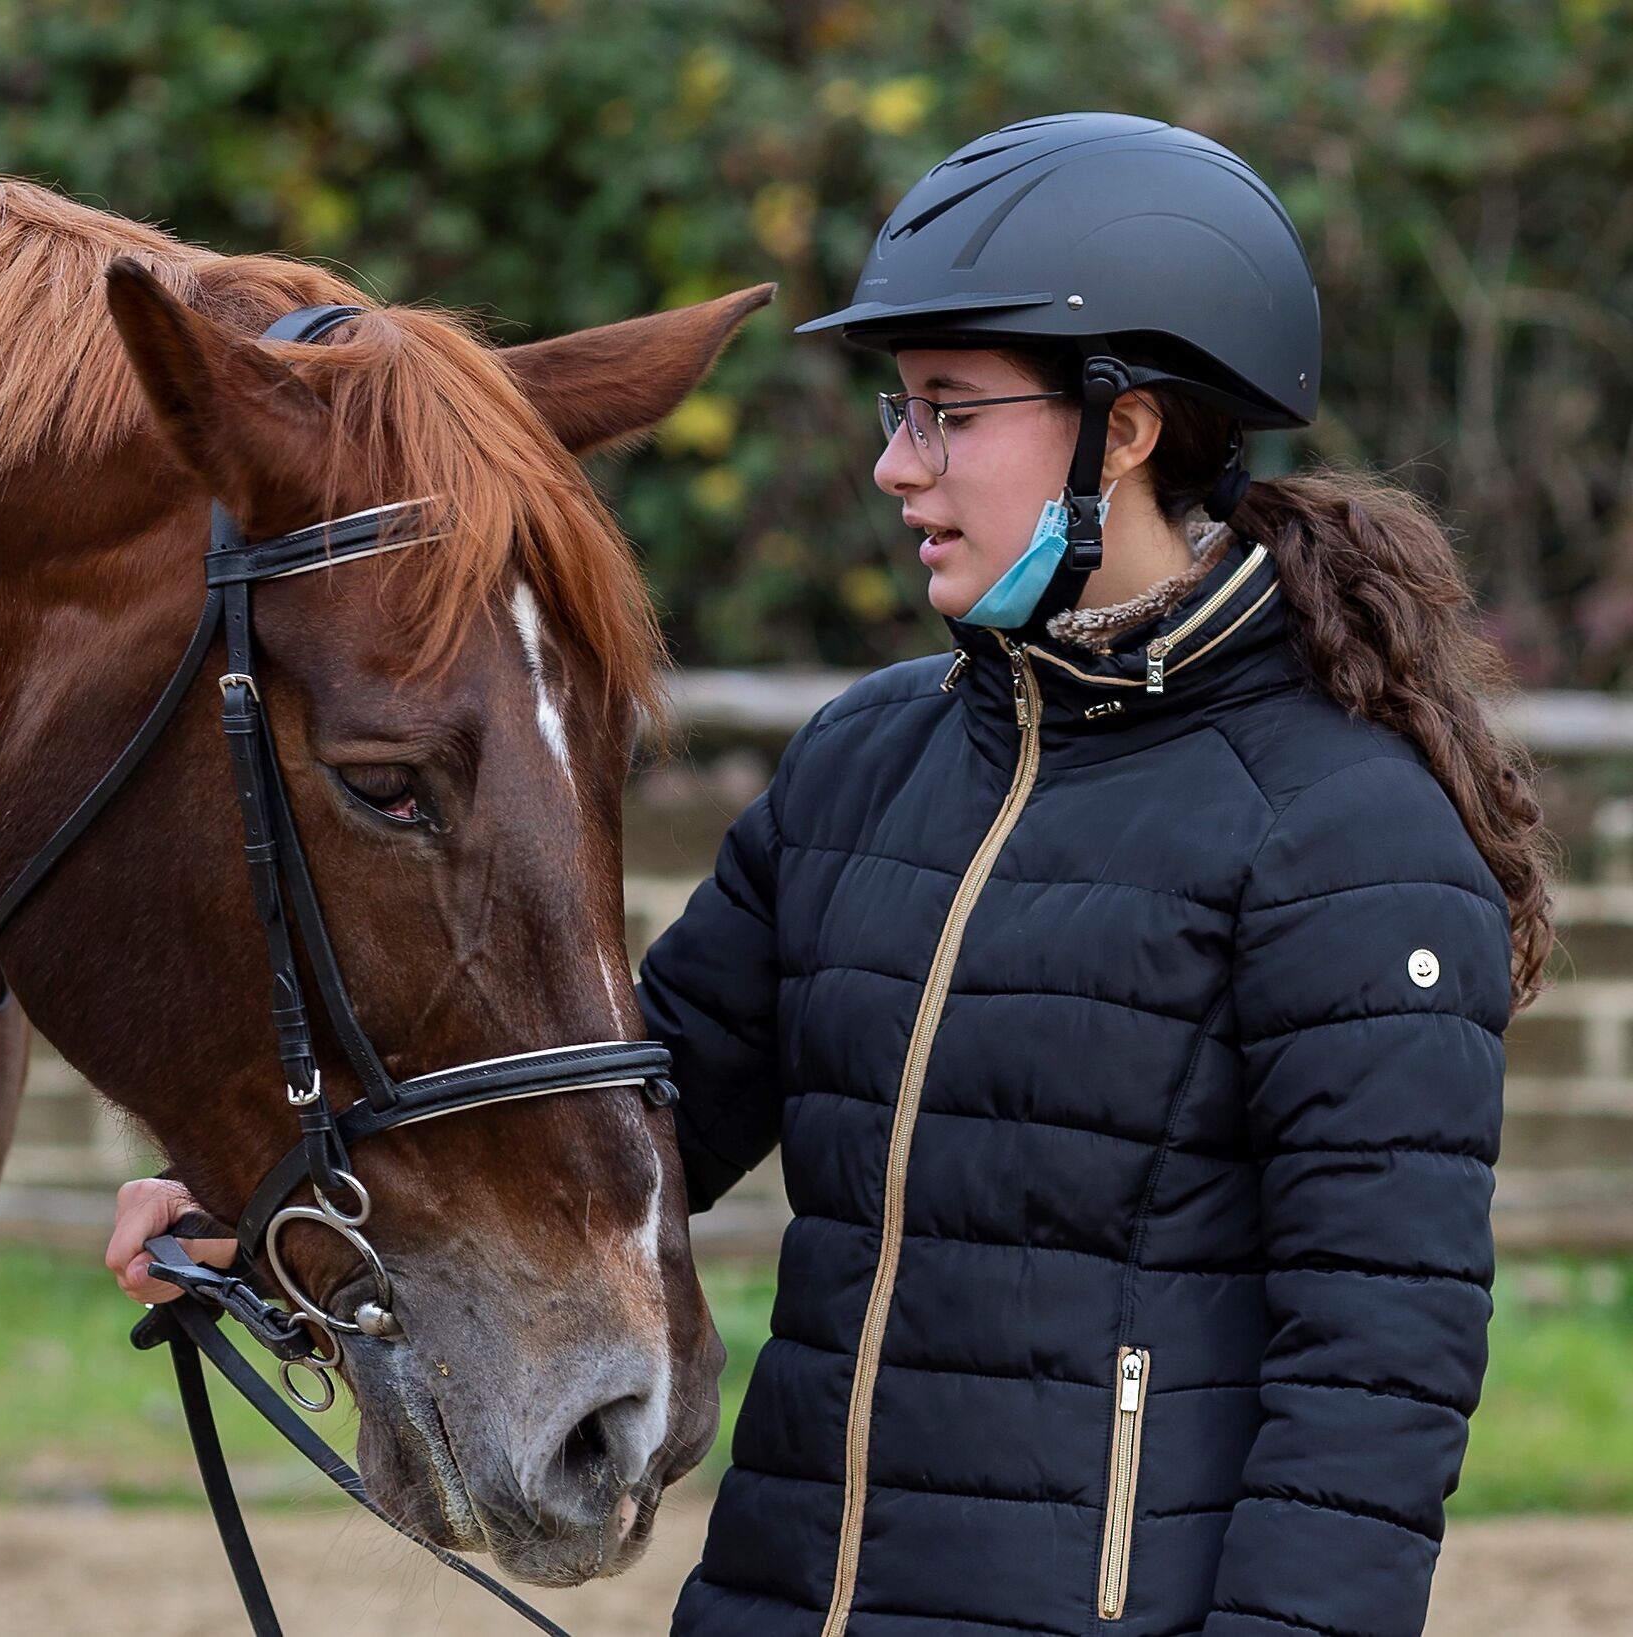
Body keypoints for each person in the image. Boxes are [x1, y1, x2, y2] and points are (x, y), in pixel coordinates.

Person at [109, 112, 1553, 1637]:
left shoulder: (1347, 837)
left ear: (1121, 431)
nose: (893, 464)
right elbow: (638, 1123)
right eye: (896, 408)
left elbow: (1375, 1373)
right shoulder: (865, 760)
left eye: (948, 412)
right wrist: (271, 1205)